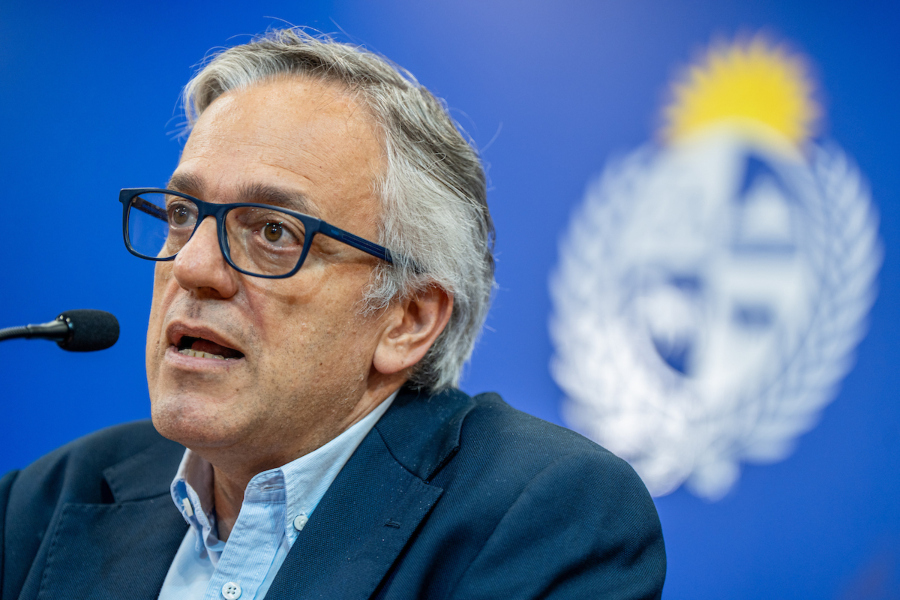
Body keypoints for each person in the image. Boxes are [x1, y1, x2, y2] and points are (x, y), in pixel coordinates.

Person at [0, 29, 665, 600]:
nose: (194, 267)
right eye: (182, 215)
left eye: (273, 232)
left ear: (407, 318)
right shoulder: (47, 499)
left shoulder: (542, 516)